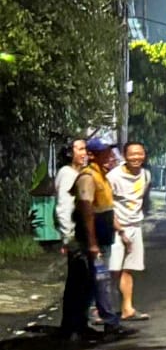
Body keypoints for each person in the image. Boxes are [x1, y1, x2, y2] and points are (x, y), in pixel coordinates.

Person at [75, 139, 135, 338]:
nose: (110, 157)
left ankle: (83, 324)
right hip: (94, 241)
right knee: (101, 281)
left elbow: (107, 209)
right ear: (92, 155)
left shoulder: (102, 176)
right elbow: (87, 211)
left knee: (94, 282)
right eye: (105, 153)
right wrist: (92, 243)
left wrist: (120, 231)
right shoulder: (88, 177)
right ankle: (109, 322)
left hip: (103, 238)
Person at [108, 141, 151, 321]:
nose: (136, 157)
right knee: (113, 270)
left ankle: (127, 308)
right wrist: (120, 231)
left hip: (135, 226)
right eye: (132, 154)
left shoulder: (146, 175)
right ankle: (102, 310)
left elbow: (141, 199)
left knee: (128, 269)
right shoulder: (113, 177)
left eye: (139, 153)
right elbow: (106, 206)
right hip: (116, 228)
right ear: (125, 156)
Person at [55, 139, 92, 339]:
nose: (84, 152)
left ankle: (80, 323)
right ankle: (70, 326)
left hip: (84, 234)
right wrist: (67, 236)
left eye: (85, 148)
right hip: (75, 236)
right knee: (76, 281)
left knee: (85, 281)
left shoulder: (82, 173)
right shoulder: (67, 174)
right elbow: (63, 207)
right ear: (70, 153)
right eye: (80, 149)